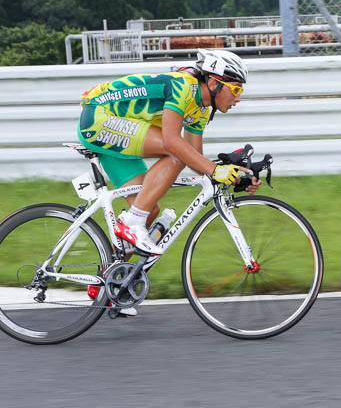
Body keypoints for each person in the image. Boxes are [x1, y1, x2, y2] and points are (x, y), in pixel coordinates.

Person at [77, 49, 261, 314]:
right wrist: (213, 169)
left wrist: (236, 175)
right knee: (173, 152)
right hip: (99, 119)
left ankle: (109, 286)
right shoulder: (184, 87)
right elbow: (175, 144)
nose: (237, 98)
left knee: (148, 208)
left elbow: (197, 161)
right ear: (213, 82)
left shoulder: (200, 109)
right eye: (235, 90)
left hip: (119, 131)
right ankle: (132, 224)